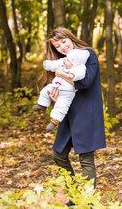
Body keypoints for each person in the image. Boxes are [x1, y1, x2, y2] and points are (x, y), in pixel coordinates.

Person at [38, 27, 106, 190]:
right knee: (58, 154)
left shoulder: (88, 54)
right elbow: (64, 91)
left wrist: (62, 75)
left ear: (71, 38)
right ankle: (72, 195)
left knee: (86, 159)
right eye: (57, 46)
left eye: (63, 41)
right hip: (69, 115)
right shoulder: (62, 62)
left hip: (86, 114)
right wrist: (56, 99)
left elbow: (86, 82)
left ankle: (88, 203)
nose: (62, 47)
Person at [33, 48, 90, 132]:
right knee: (45, 91)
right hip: (55, 85)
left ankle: (54, 121)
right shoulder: (63, 62)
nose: (65, 60)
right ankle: (42, 104)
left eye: (68, 60)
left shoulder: (79, 67)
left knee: (61, 106)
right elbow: (55, 64)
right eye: (66, 58)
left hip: (67, 92)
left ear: (74, 63)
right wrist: (47, 64)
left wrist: (72, 75)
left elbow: (80, 73)